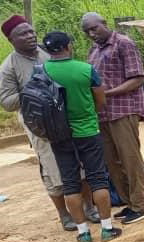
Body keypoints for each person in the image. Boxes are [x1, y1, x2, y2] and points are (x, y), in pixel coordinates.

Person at [0, 15, 100, 231]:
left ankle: (89, 207)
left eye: (31, 31)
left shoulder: (47, 51)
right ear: (11, 40)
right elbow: (7, 102)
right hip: (41, 126)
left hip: (68, 117)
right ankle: (64, 214)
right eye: (23, 34)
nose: (30, 35)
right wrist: (34, 90)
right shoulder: (8, 67)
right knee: (53, 171)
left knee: (80, 164)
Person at [41, 32, 122, 242]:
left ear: (47, 50)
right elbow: (100, 99)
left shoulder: (40, 72)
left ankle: (83, 233)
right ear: (68, 46)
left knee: (70, 184)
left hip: (59, 135)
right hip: (87, 131)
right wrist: (88, 113)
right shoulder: (86, 69)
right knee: (97, 179)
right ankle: (106, 228)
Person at [82, 12, 144, 225]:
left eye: (94, 28)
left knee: (130, 159)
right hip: (102, 114)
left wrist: (107, 94)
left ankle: (141, 205)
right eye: (87, 31)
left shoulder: (123, 43)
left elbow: (138, 78)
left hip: (123, 110)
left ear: (105, 23)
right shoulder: (93, 50)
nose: (92, 34)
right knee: (111, 161)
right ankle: (128, 202)